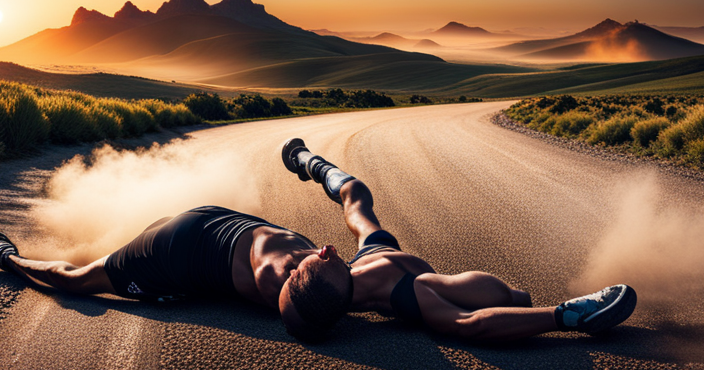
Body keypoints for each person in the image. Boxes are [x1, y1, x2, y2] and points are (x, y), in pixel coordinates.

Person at [279, 138, 638, 341]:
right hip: (408, 283)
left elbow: (307, 308)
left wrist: (306, 160)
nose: (316, 253)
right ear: (328, 259)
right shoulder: (410, 295)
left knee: (354, 193)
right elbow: (473, 323)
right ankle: (570, 312)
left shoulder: (345, 276)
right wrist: (563, 316)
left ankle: (305, 159)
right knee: (513, 297)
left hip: (372, 256)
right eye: (305, 268)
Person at [0, 205, 353, 340]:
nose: (333, 251)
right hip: (173, 251)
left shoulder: (309, 270)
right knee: (75, 282)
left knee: (81, 277)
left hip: (207, 222)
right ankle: (8, 257)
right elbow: (296, 313)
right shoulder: (274, 274)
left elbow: (298, 315)